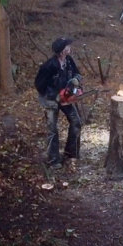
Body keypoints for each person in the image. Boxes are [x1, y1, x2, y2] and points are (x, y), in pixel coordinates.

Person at [35, 37, 83, 168]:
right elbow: (39, 85)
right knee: (52, 129)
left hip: (65, 97)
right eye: (67, 46)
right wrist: (53, 96)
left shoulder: (68, 61)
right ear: (62, 51)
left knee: (76, 122)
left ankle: (71, 153)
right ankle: (53, 159)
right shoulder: (49, 66)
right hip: (50, 100)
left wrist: (76, 80)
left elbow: (78, 73)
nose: (69, 48)